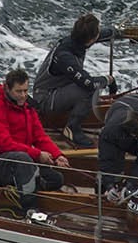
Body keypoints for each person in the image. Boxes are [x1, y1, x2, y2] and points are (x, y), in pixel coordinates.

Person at [0, 67, 68, 223]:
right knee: (23, 159)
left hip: (22, 161)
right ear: (7, 89)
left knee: (56, 179)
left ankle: (27, 187)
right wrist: (37, 154)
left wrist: (57, 155)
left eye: (25, 91)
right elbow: (4, 144)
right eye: (18, 91)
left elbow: (40, 136)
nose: (23, 95)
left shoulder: (28, 108)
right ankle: (30, 209)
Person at [32, 13, 114, 148]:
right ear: (91, 39)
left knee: (89, 85)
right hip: (46, 98)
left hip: (59, 89)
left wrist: (120, 32)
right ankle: (72, 128)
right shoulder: (65, 56)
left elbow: (102, 34)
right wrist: (107, 80)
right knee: (90, 88)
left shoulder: (78, 39)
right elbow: (89, 83)